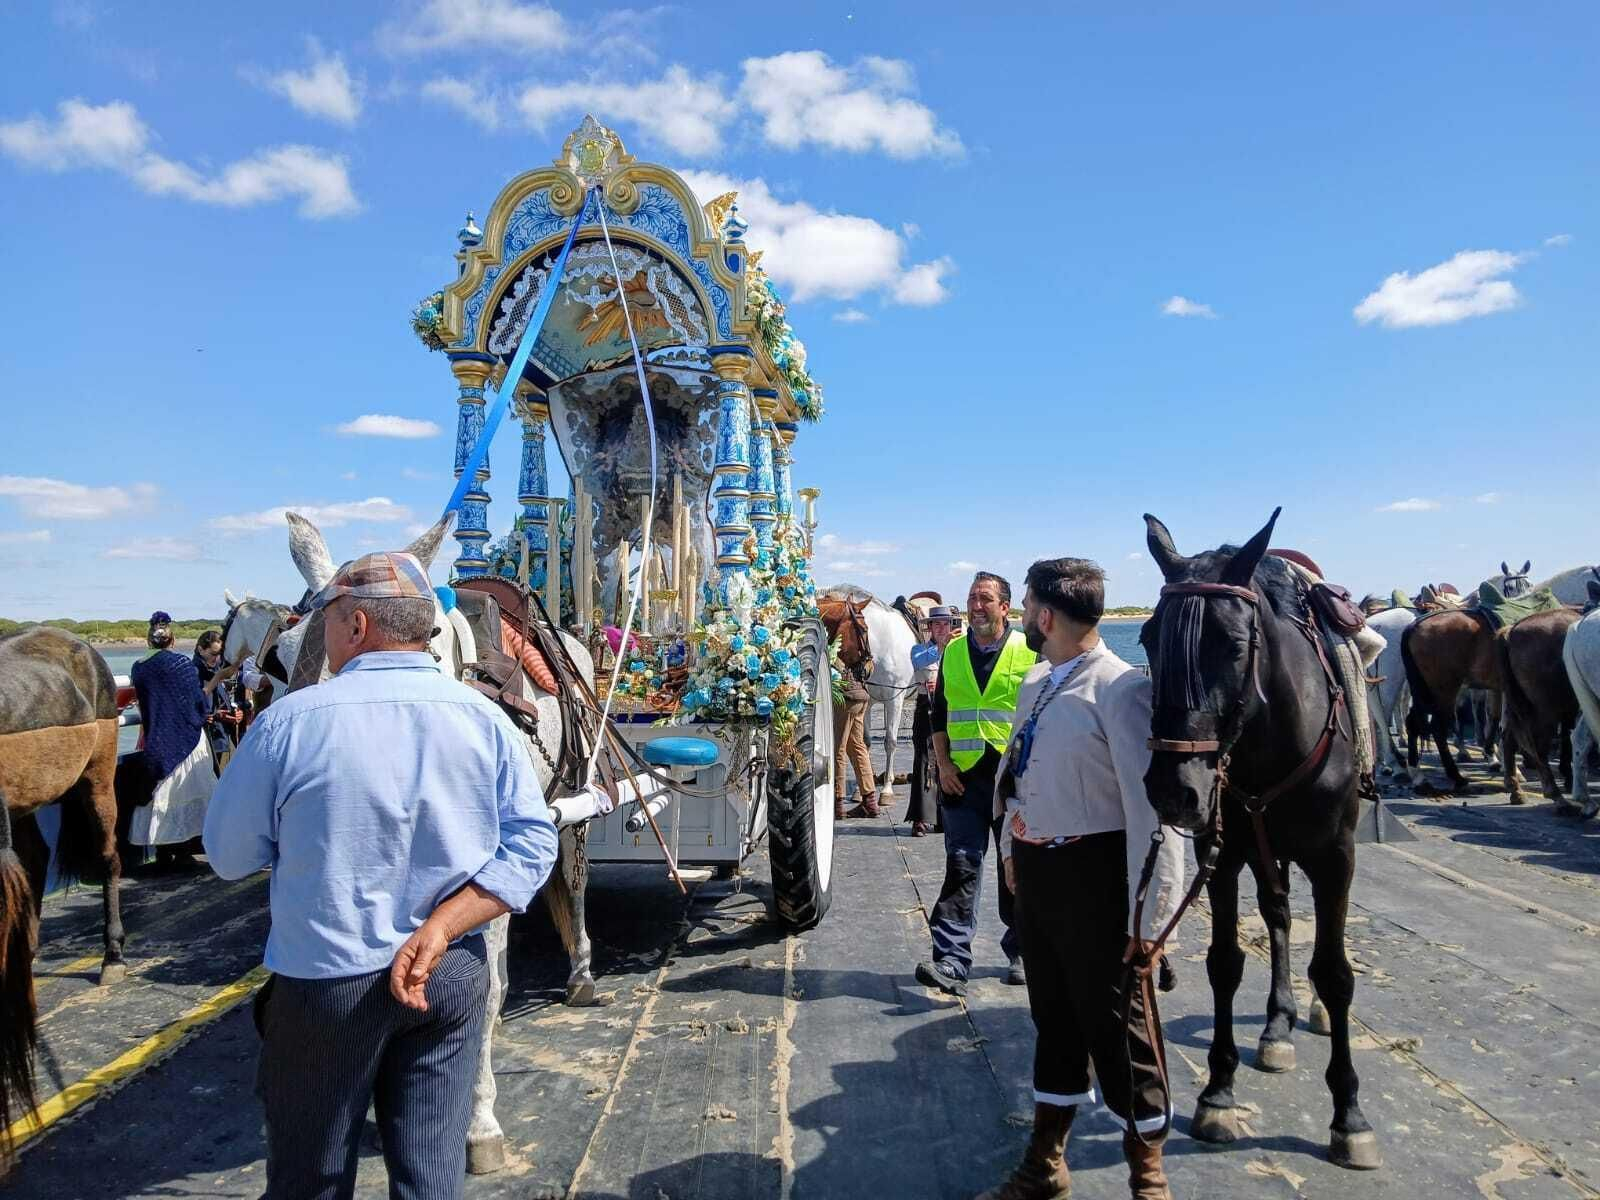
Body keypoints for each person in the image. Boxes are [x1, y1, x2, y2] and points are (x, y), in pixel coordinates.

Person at [202, 551, 559, 1200]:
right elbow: (532, 849)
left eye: (327, 622)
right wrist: (442, 927)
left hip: (327, 986)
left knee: (311, 1181)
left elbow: (228, 857)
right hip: (448, 973)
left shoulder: (289, 722)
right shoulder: (484, 720)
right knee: (429, 1180)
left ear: (357, 625)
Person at [981, 558, 1184, 1200]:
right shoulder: (1038, 681)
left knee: (1121, 1031)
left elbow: (1154, 817)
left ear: (1044, 615)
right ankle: (1046, 1165)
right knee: (1055, 1021)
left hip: (1097, 882)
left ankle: (1147, 1178)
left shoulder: (1121, 691)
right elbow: (1018, 768)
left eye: (1026, 608)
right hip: (1039, 879)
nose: (1020, 619)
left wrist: (1151, 922)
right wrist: (1015, 843)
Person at [915, 573, 1034, 995]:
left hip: (1015, 784)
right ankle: (951, 959)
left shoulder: (1030, 652)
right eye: (971, 598)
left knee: (1016, 870)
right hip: (963, 780)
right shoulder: (952, 655)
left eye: (985, 599)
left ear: (1006, 607)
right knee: (962, 864)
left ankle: (1022, 948)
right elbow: (939, 714)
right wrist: (943, 765)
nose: (976, 606)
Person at [127, 611, 216, 866]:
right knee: (188, 791)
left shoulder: (139, 668)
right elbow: (197, 703)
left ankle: (164, 853)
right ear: (172, 639)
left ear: (149, 638)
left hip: (157, 737)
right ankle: (185, 851)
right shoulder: (181, 665)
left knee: (162, 795)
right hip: (187, 738)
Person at [906, 605, 959, 836]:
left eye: (945, 624)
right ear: (930, 628)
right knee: (923, 760)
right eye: (937, 624)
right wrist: (942, 647)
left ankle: (942, 815)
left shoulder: (957, 651)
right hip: (925, 707)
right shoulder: (919, 650)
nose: (941, 628)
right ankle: (919, 817)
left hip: (949, 710)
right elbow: (920, 662)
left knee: (945, 760)